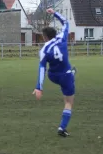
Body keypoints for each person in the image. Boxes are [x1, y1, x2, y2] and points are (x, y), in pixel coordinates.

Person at [32, 8, 77, 138]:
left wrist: (39, 87)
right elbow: (66, 23)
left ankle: (72, 73)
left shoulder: (44, 49)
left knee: (64, 80)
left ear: (45, 37)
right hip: (66, 75)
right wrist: (54, 13)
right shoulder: (62, 37)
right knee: (68, 102)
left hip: (53, 76)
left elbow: (42, 68)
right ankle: (62, 127)